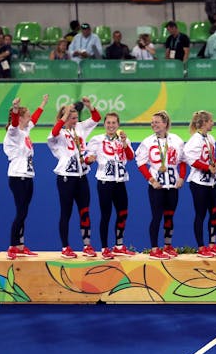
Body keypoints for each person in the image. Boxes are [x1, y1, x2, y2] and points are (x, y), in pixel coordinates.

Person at [48, 97, 101, 259]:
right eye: (71, 117)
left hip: (81, 176)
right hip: (66, 177)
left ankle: (87, 245)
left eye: (76, 117)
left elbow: (96, 118)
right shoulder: (58, 134)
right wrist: (64, 115)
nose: (75, 120)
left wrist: (89, 106)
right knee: (66, 212)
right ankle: (65, 247)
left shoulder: (80, 128)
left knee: (84, 210)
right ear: (63, 118)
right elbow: (55, 131)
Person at [135, 111, 187, 260]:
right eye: (152, 122)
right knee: (157, 216)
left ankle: (168, 246)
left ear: (165, 124)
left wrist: (182, 177)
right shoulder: (147, 141)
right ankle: (154, 249)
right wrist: (151, 180)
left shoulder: (176, 140)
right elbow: (140, 163)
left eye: (157, 122)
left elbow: (183, 160)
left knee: (170, 216)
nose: (154, 124)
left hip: (172, 185)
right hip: (157, 186)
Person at [3, 95, 48, 260]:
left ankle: (21, 246)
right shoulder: (13, 131)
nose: (29, 118)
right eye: (26, 115)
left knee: (24, 213)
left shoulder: (25, 130)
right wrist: (15, 108)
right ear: (21, 118)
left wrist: (43, 103)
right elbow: (14, 123)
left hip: (28, 176)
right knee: (20, 213)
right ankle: (12, 246)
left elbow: (35, 119)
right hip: (17, 176)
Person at [86, 112, 136, 260]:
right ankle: (104, 248)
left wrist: (125, 142)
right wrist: (89, 159)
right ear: (104, 124)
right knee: (106, 215)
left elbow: (131, 157)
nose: (111, 125)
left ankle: (119, 246)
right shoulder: (97, 140)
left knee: (122, 213)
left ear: (118, 125)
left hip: (120, 182)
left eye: (114, 123)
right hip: (105, 182)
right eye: (108, 122)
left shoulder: (123, 140)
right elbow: (87, 158)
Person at [184, 110, 216, 259]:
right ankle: (201, 247)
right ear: (205, 123)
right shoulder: (195, 139)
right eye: (211, 121)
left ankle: (212, 244)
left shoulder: (210, 138)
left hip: (212, 181)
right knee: (201, 214)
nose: (213, 123)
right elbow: (190, 159)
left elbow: (210, 157)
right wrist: (207, 167)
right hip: (198, 182)